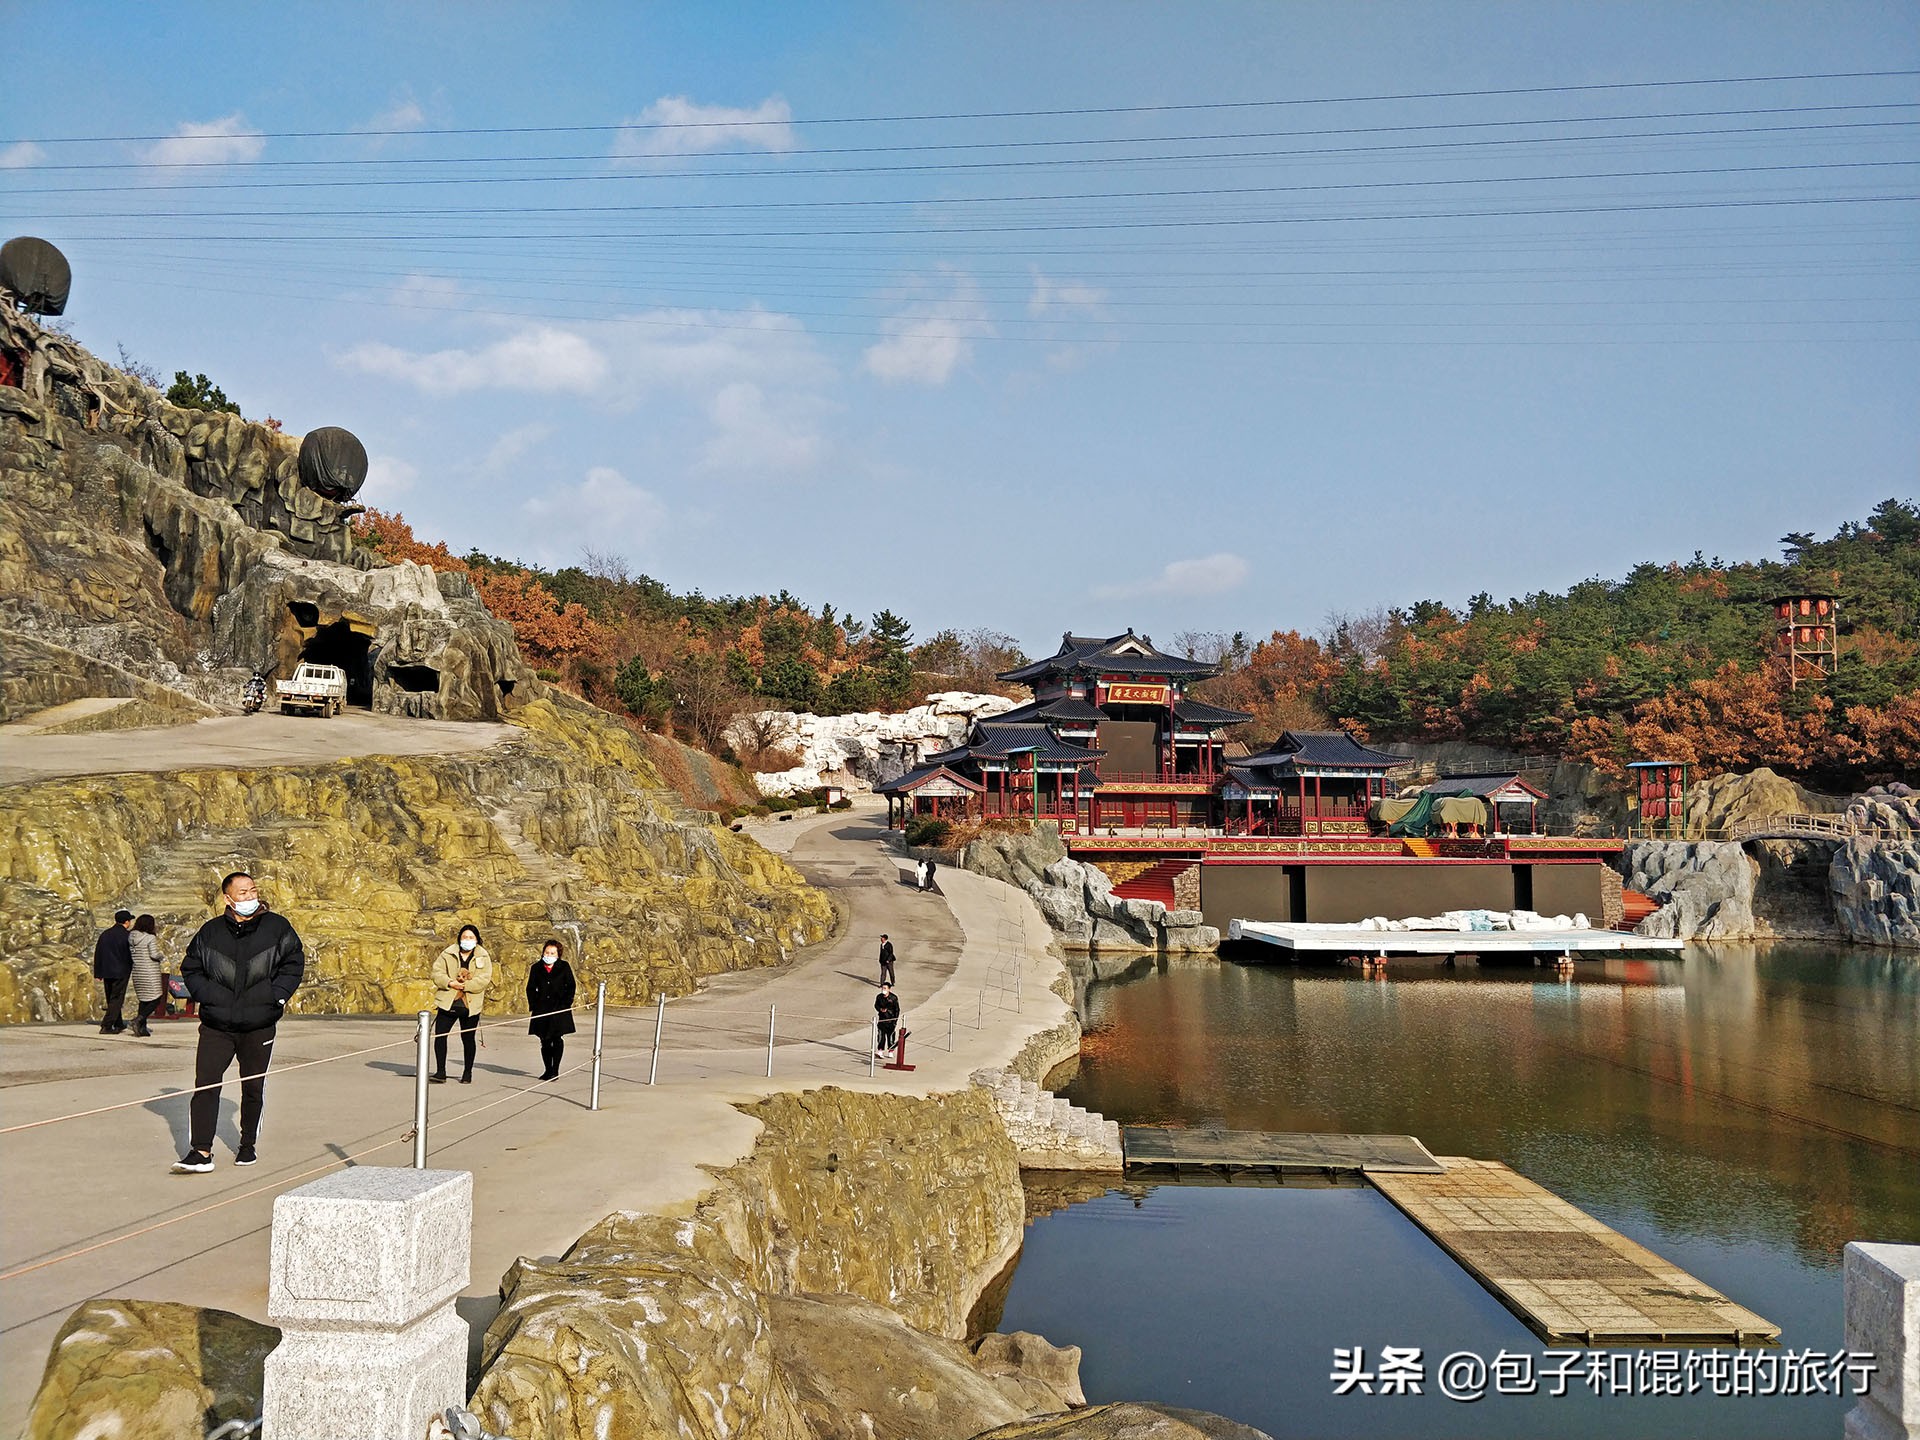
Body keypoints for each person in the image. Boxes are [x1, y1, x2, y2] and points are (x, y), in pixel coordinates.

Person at [173, 872, 305, 1173]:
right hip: (217, 1025)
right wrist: (209, 996)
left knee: (253, 1086)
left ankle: (247, 1146)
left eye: (253, 891)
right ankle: (201, 1152)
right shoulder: (210, 932)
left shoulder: (277, 928)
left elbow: (294, 964)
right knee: (205, 1085)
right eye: (243, 893)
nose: (249, 897)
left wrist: (276, 997)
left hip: (259, 1023)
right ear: (228, 898)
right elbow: (191, 968)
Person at [430, 924, 492, 1085]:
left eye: (471, 937)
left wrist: (466, 986)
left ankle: (467, 1072)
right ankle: (440, 1072)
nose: (467, 940)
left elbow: (484, 978)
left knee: (468, 1038)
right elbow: (437, 972)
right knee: (440, 1036)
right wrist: (450, 983)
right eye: (465, 937)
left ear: (477, 939)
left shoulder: (483, 956)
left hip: (470, 1004)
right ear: (459, 938)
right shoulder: (448, 953)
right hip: (448, 1001)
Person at [525, 939, 576, 1081]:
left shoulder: (564, 967)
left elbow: (570, 986)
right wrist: (534, 1004)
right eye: (547, 952)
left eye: (552, 953)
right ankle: (547, 1069)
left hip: (559, 1008)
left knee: (557, 1038)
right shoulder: (536, 967)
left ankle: (555, 1070)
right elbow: (530, 988)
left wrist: (566, 1003)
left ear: (558, 954)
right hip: (541, 1009)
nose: (549, 955)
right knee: (544, 1040)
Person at [93, 909, 134, 1034]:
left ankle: (118, 1023)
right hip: (121, 971)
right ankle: (106, 1025)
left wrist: (98, 972)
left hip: (107, 971)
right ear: (126, 922)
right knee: (117, 999)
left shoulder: (105, 934)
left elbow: (98, 953)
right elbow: (130, 954)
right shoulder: (127, 936)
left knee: (111, 997)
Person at [127, 914, 166, 1037]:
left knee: (143, 1000)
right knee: (156, 998)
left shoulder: (131, 936)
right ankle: (138, 1019)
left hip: (137, 971)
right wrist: (162, 955)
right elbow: (153, 955)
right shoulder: (150, 938)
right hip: (149, 972)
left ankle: (141, 1028)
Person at [874, 981, 901, 1056]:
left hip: (890, 1020)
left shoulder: (893, 998)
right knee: (881, 1036)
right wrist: (880, 1009)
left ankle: (891, 1050)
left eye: (885, 988)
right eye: (883, 988)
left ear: (889, 989)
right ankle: (880, 1050)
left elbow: (897, 1009)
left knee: (891, 1036)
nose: (883, 989)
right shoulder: (879, 997)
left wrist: (895, 1020)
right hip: (882, 1019)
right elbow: (876, 1005)